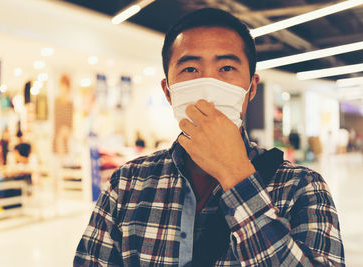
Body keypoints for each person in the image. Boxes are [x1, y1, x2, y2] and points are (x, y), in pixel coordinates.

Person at [74, 8, 344, 266]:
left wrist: (236, 175)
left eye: (226, 68)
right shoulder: (128, 184)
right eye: (190, 69)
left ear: (251, 88)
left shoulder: (301, 188)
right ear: (168, 92)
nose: (208, 84)